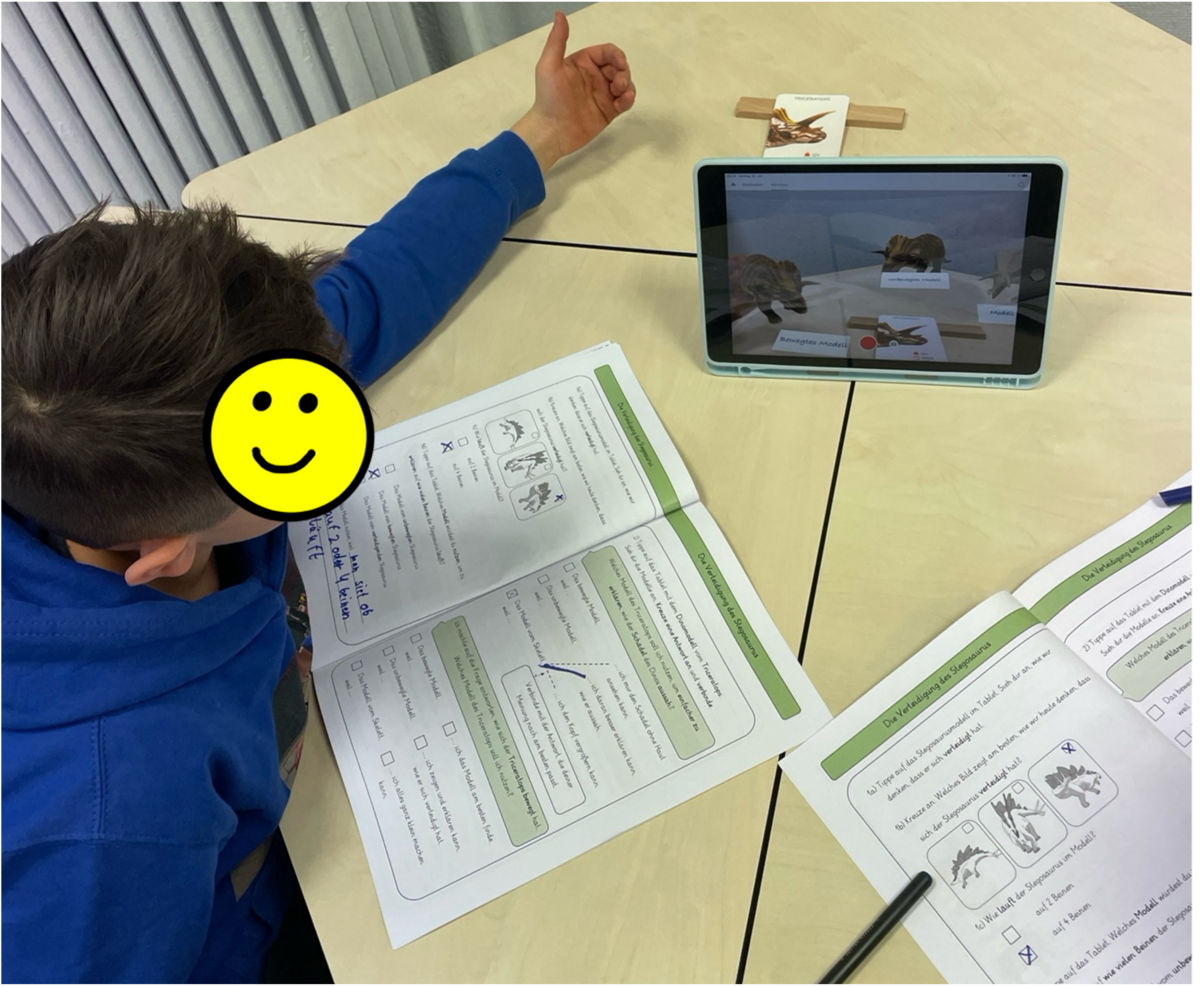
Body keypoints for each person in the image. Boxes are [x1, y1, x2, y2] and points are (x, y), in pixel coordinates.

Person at [0, 12, 634, 984]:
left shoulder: (121, 417)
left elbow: (366, 296)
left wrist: (542, 134)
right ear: (162, 554)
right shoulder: (114, 816)